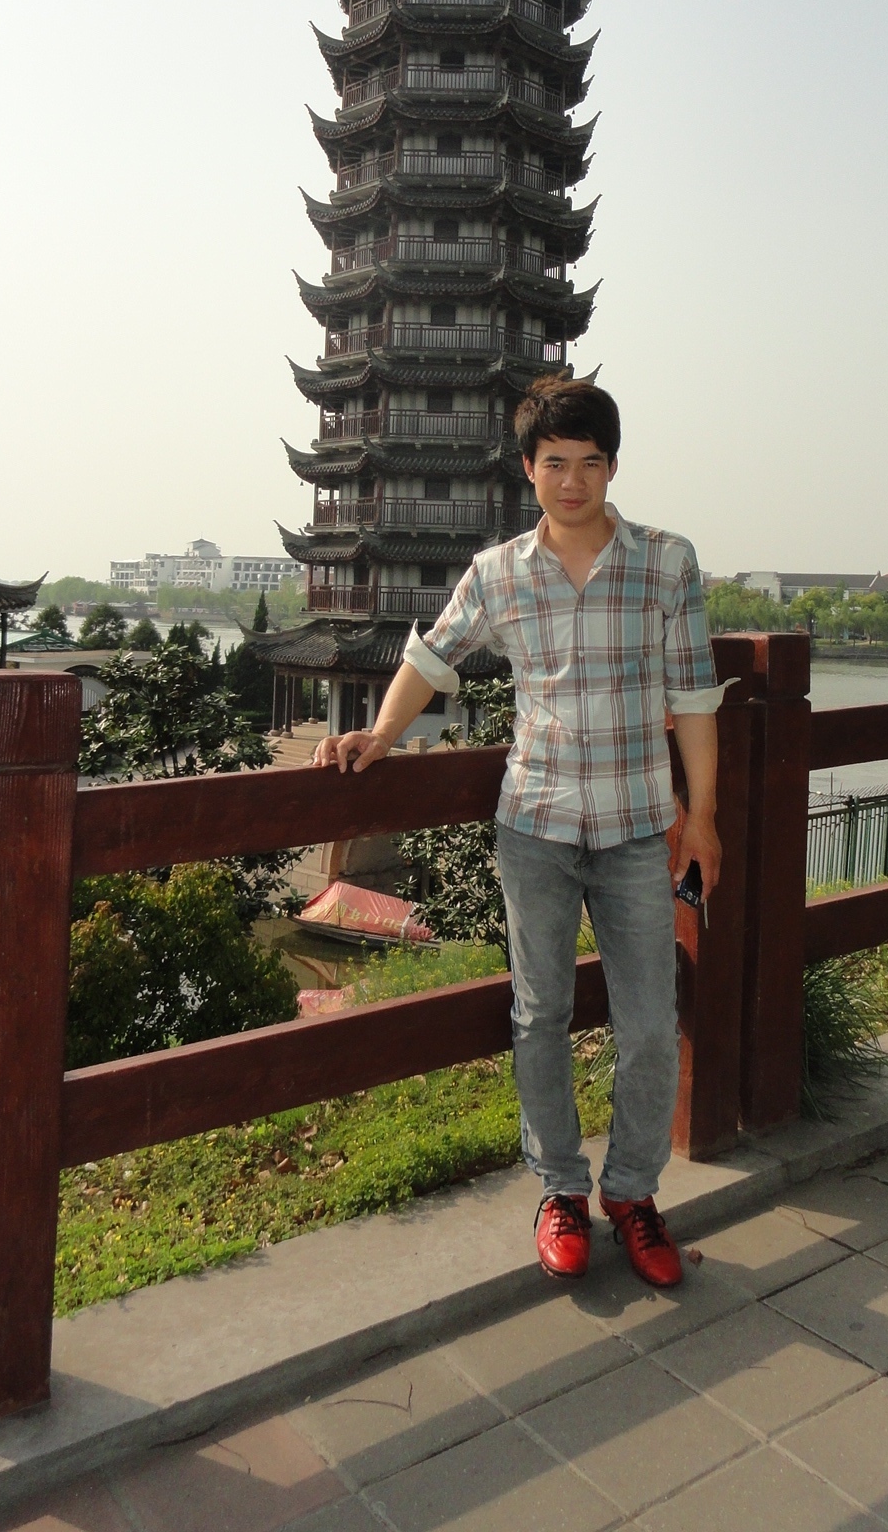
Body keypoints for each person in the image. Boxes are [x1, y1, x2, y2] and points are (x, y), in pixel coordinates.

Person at [310, 376, 728, 1286]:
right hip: (535, 824)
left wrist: (701, 818)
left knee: (651, 1024)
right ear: (528, 469)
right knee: (539, 1013)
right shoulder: (498, 571)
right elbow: (432, 657)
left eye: (590, 463)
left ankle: (633, 1194)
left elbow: (695, 696)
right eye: (555, 464)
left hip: (636, 826)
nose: (572, 482)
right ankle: (561, 1191)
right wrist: (379, 736)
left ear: (612, 468)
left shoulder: (667, 562)